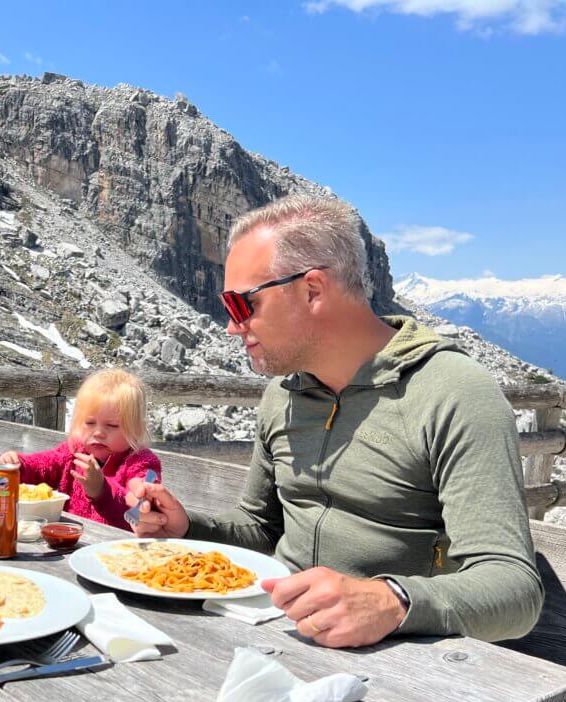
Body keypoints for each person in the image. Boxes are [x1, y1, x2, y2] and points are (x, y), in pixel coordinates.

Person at [127, 194, 542, 648]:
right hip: (270, 633)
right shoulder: (281, 396)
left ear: (313, 290)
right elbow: (263, 528)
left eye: (240, 305)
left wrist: (391, 600)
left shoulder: (454, 393)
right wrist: (190, 529)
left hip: (400, 663)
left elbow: (514, 589)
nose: (231, 326)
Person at [0, 368, 161, 530]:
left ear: (136, 429)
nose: (98, 433)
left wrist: (102, 490)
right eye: (89, 423)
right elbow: (43, 465)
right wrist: (18, 465)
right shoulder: (74, 451)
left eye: (112, 425)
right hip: (68, 542)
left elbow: (140, 510)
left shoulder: (143, 463)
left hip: (114, 548)